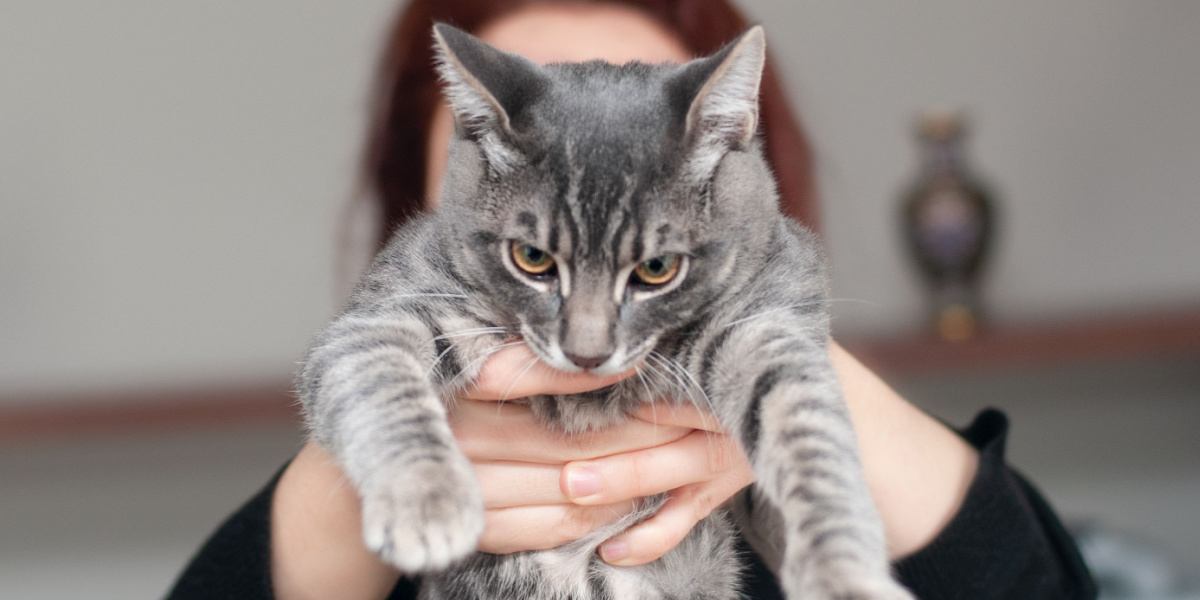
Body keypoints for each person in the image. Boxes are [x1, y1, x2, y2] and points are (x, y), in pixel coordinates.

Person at [169, 2, 1096, 598]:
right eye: (535, 252)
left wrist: (804, 390)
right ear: (444, 171)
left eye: (650, 268)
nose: (586, 343)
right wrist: (373, 482)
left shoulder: (748, 306)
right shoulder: (435, 276)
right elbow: (359, 356)